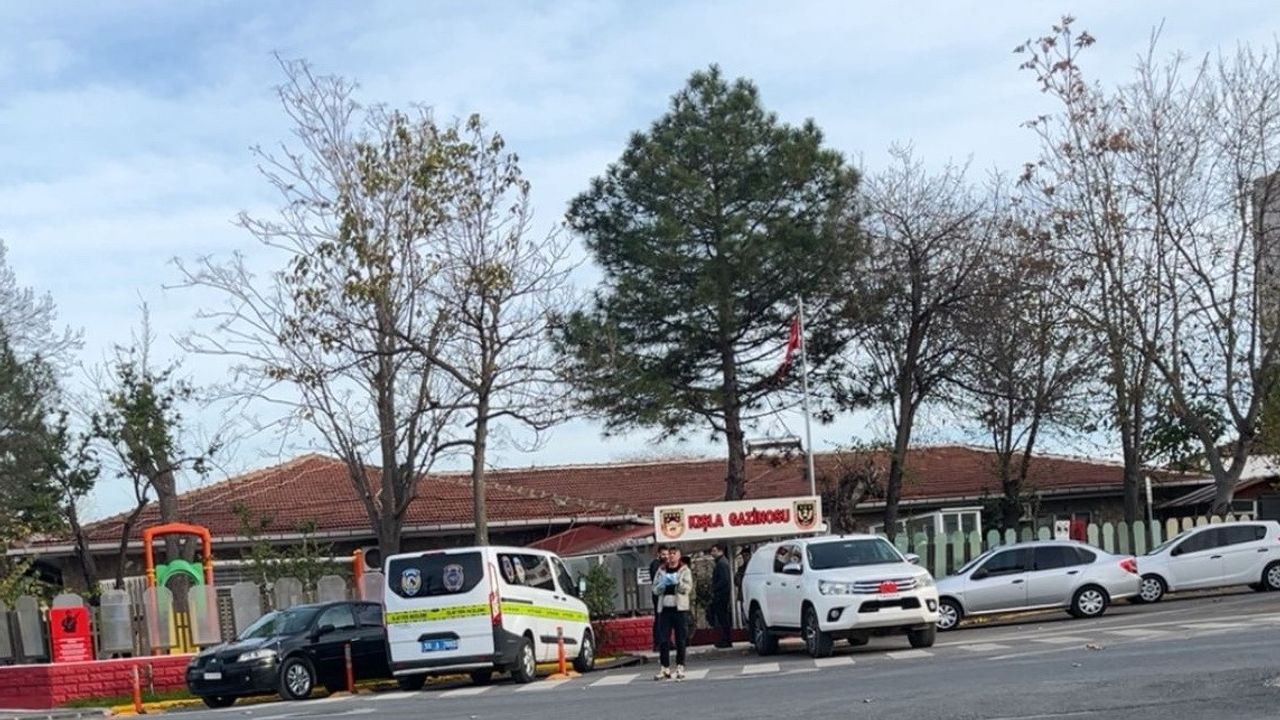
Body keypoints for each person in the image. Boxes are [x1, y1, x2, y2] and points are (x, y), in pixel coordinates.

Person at [652, 545, 693, 681]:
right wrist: (662, 585)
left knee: (681, 639)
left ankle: (680, 666)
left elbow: (687, 588)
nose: (671, 556)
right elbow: (655, 589)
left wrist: (677, 582)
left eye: (674, 554)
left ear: (679, 555)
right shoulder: (661, 570)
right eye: (670, 554)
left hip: (679, 609)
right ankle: (665, 668)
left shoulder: (684, 570)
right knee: (663, 639)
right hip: (665, 609)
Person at [709, 543, 733, 648]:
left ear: (720, 551)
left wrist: (714, 588)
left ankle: (726, 639)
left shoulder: (722, 564)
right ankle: (724, 638)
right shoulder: (721, 562)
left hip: (721, 595)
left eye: (714, 551)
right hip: (721, 594)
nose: (712, 553)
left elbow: (724, 580)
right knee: (722, 618)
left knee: (723, 618)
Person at [649, 545, 668, 652]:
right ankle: (658, 643)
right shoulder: (656, 565)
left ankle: (665, 641)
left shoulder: (663, 565)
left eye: (667, 554)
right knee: (659, 618)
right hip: (658, 596)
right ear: (659, 554)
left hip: (664, 595)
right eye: (663, 554)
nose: (666, 556)